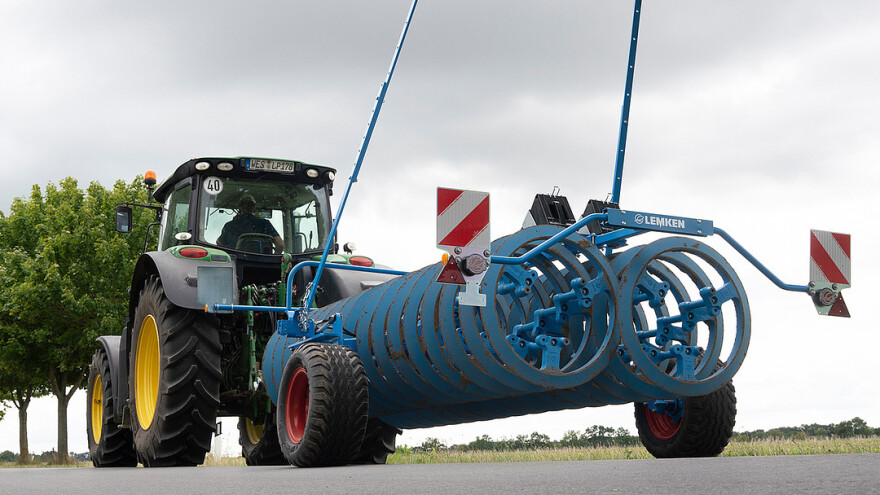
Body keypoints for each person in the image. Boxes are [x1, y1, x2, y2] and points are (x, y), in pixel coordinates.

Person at [217, 194, 284, 254]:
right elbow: (280, 245)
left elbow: (219, 244)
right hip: (262, 264)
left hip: (237, 263)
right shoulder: (265, 224)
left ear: (240, 209)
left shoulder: (230, 225)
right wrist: (271, 259)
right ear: (254, 209)